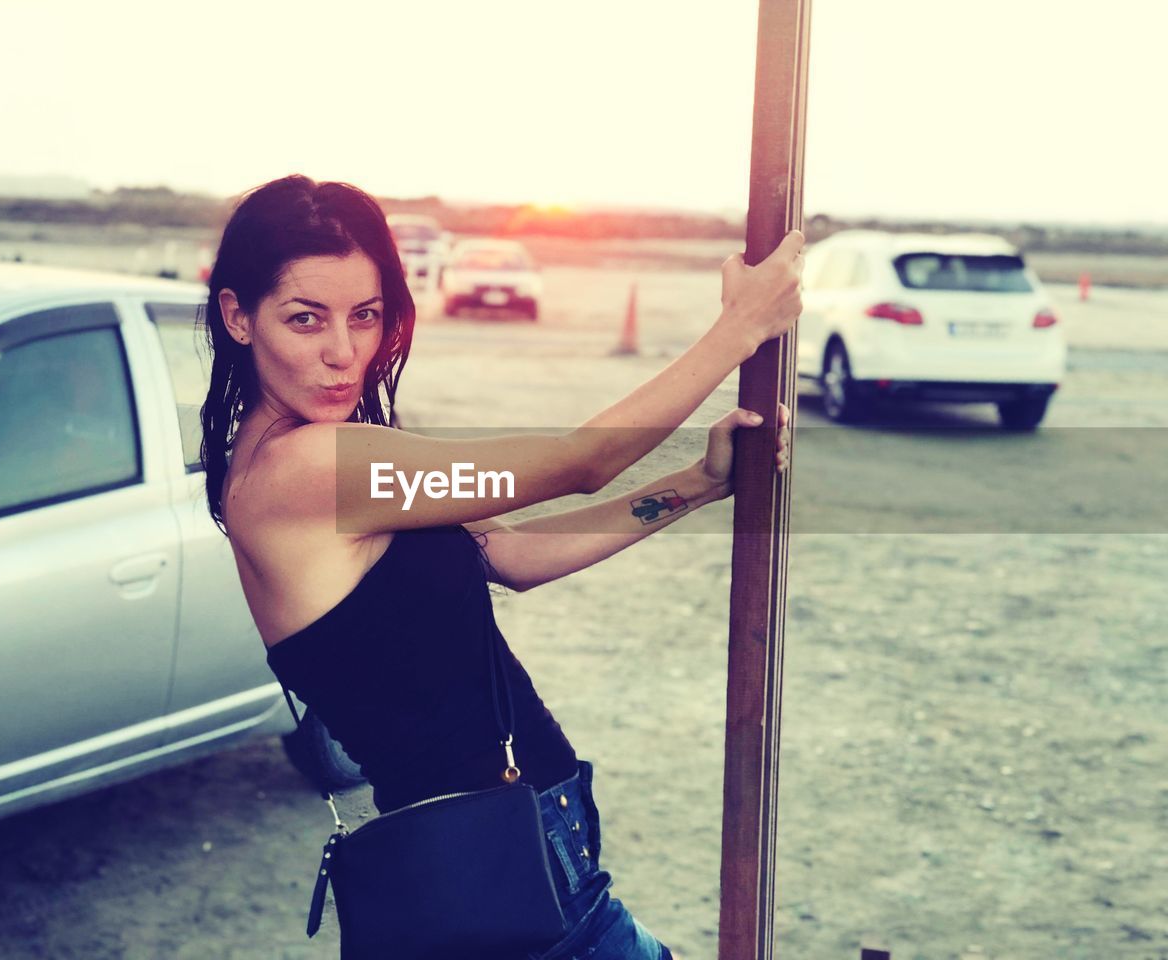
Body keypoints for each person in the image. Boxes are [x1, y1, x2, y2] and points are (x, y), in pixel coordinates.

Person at [198, 174, 802, 960]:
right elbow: (577, 462)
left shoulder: (303, 463)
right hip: (500, 861)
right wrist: (737, 330)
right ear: (238, 315)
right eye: (305, 319)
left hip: (493, 856)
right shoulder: (309, 468)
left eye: (366, 316)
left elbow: (510, 554)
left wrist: (696, 485)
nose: (342, 353)